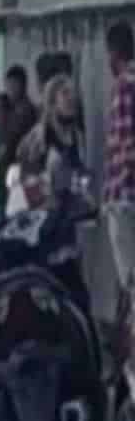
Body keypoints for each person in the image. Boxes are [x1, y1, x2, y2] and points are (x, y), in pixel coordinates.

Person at [103, 20, 135, 379]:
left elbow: (126, 145)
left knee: (130, 281)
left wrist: (120, 183)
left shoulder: (124, 85)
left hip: (126, 198)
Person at [11, 74, 85, 213]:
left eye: (73, 93)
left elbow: (77, 176)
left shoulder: (77, 136)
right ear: (52, 102)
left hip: (70, 214)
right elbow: (24, 175)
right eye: (65, 93)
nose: (72, 98)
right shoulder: (40, 137)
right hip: (44, 215)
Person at [0, 65, 39, 201]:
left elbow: (11, 137)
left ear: (23, 86)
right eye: (8, 86)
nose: (9, 90)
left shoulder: (25, 110)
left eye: (13, 85)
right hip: (12, 167)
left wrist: (1, 114)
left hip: (20, 167)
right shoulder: (12, 108)